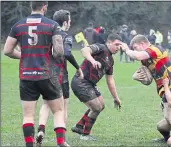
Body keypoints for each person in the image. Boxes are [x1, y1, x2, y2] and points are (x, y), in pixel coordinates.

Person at [3, 1, 68, 147]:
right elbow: (59, 52)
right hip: (47, 75)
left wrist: (24, 56)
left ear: (31, 7)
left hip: (26, 76)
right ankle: (60, 142)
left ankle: (29, 145)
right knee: (58, 111)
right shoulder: (52, 25)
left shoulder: (18, 25)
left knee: (28, 115)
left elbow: (7, 50)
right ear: (44, 6)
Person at [121, 35, 171, 145]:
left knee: (170, 118)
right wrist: (140, 78)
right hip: (165, 89)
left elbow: (137, 56)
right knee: (162, 125)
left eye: (135, 47)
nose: (134, 50)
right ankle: (168, 137)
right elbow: (149, 80)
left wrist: (127, 50)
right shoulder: (146, 60)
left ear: (142, 44)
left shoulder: (155, 49)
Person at [36, 9, 83, 146]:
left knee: (45, 104)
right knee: (62, 108)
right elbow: (67, 52)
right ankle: (61, 140)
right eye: (69, 21)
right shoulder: (65, 36)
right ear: (65, 23)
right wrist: (78, 67)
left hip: (45, 74)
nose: (70, 23)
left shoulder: (46, 34)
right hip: (60, 76)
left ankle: (41, 129)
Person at [70, 33, 122, 140]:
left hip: (90, 84)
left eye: (119, 45)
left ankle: (79, 126)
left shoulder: (111, 61)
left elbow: (110, 81)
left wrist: (116, 98)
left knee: (101, 105)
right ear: (109, 43)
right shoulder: (101, 48)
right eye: (116, 44)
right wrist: (93, 60)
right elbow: (84, 50)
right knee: (96, 107)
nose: (118, 47)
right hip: (81, 82)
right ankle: (85, 135)